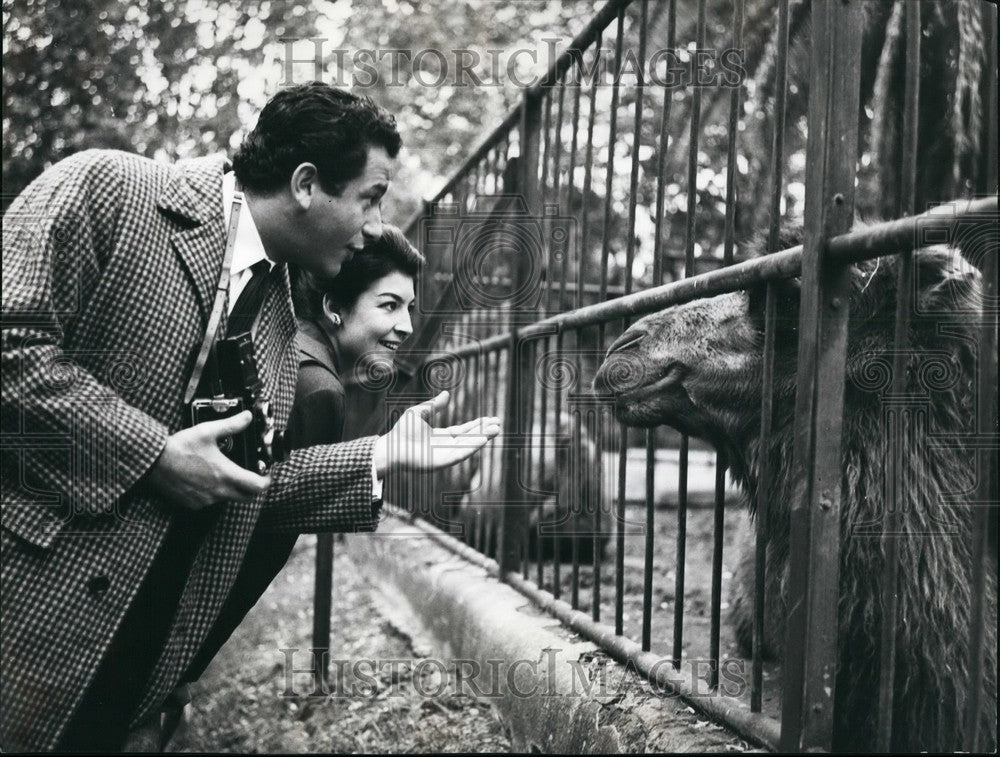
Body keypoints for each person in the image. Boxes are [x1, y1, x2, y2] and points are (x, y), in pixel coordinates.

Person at [0, 83, 499, 752]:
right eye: (370, 198)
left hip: (128, 664)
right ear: (304, 184)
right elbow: (11, 344)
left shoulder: (274, 309)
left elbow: (235, 485)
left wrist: (380, 456)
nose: (377, 226)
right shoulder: (107, 188)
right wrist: (153, 454)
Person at [181, 225, 424, 703]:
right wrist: (188, 664)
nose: (407, 326)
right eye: (389, 305)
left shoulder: (295, 348)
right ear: (335, 307)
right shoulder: (320, 389)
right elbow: (261, 521)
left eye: (409, 308)